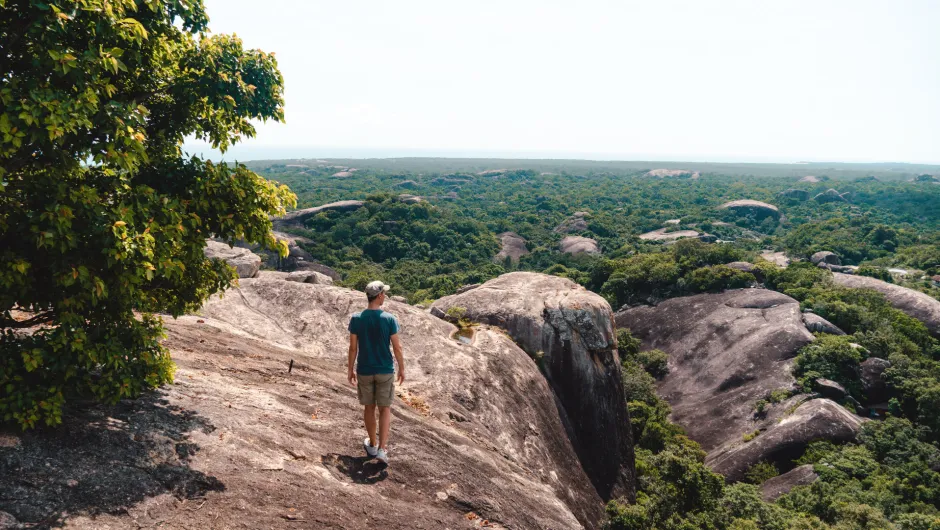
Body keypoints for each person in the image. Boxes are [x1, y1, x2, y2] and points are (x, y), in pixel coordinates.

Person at [347, 280, 405, 464]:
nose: (385, 296)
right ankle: (382, 449)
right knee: (385, 408)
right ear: (379, 295)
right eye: (384, 294)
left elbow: (352, 348)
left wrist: (350, 369)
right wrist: (402, 368)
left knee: (369, 408)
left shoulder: (357, 318)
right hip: (385, 370)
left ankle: (371, 444)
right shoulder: (389, 319)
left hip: (364, 369)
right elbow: (397, 348)